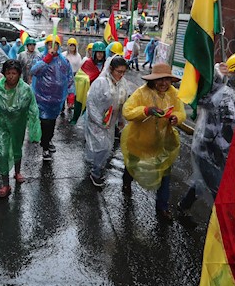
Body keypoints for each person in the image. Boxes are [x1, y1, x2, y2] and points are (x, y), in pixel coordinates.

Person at [177, 52, 235, 215]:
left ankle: (183, 206)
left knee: (203, 182)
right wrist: (216, 76)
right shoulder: (226, 96)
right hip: (210, 152)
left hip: (224, 153)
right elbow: (228, 130)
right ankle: (220, 234)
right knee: (220, 194)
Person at [121, 63, 186, 220]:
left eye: (167, 79)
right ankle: (126, 182)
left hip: (162, 144)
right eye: (159, 80)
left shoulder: (174, 94)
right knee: (132, 166)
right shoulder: (141, 93)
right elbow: (127, 112)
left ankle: (162, 207)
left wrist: (176, 118)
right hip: (139, 141)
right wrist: (146, 110)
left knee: (165, 174)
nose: (163, 83)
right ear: (153, 80)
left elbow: (180, 112)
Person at [0, 59, 41, 198]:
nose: (11, 76)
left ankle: (17, 172)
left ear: (19, 74)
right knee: (2, 153)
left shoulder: (26, 90)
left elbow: (33, 110)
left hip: (18, 125)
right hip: (2, 125)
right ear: (4, 74)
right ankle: (5, 184)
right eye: (8, 73)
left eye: (14, 73)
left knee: (17, 149)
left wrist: (34, 131)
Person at [85, 56, 129, 186]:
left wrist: (121, 120)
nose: (121, 75)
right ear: (111, 69)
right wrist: (100, 121)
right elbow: (91, 103)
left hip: (111, 121)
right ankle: (95, 172)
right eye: (118, 71)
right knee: (102, 146)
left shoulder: (122, 83)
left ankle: (97, 168)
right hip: (97, 121)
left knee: (107, 147)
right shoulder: (101, 82)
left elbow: (123, 103)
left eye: (123, 72)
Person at [30, 34, 73, 160]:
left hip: (57, 99)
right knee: (45, 122)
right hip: (42, 98)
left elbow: (69, 77)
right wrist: (47, 59)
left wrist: (71, 94)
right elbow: (34, 71)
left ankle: (48, 140)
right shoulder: (40, 57)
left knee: (52, 122)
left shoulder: (64, 61)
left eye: (54, 44)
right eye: (49, 44)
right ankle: (45, 147)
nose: (51, 47)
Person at [72, 41, 107, 124]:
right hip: (89, 91)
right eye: (98, 52)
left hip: (102, 93)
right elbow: (79, 76)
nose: (100, 55)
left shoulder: (106, 65)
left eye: (102, 52)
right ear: (94, 53)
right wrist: (86, 80)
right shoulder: (88, 63)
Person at [62, 38, 83, 110]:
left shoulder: (78, 56)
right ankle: (62, 106)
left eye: (73, 45)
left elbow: (80, 66)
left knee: (72, 92)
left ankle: (70, 104)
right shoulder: (64, 55)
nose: (72, 47)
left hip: (74, 76)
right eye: (71, 45)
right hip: (65, 76)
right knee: (63, 91)